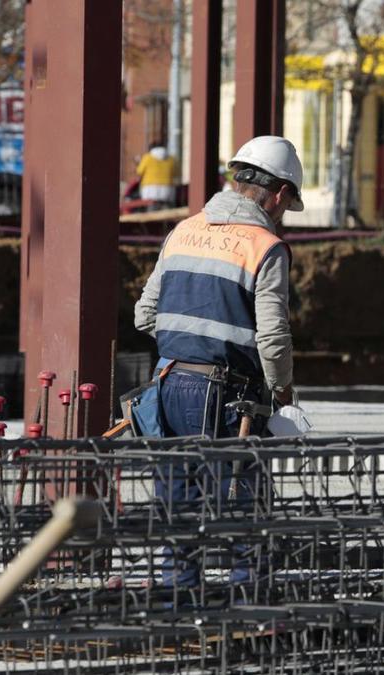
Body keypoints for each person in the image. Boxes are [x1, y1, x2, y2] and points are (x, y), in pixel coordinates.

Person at [133, 135, 302, 596]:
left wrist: (190, 342)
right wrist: (283, 394)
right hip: (228, 394)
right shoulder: (265, 246)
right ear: (281, 193)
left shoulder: (182, 230)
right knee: (244, 502)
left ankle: (177, 600)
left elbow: (144, 315)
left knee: (178, 501)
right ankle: (249, 605)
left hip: (167, 383)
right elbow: (272, 336)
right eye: (287, 205)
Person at [136, 143, 178, 208]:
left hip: (150, 189)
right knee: (167, 212)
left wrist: (138, 163)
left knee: (152, 212)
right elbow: (175, 173)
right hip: (167, 189)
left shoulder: (147, 157)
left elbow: (139, 171)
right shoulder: (171, 159)